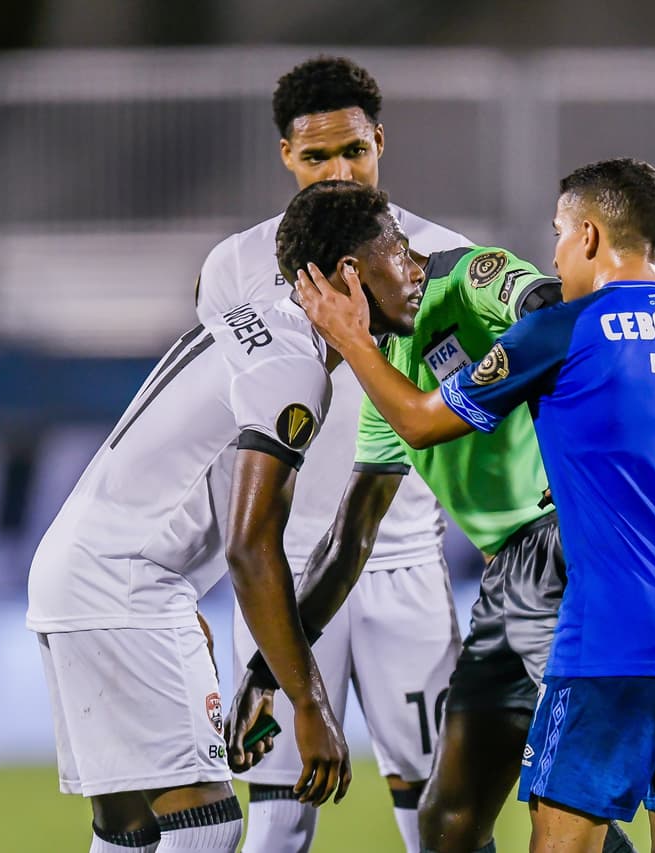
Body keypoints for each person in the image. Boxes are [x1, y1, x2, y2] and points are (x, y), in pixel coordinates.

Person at [293, 157, 655, 853]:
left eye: (557, 233)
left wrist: (348, 334)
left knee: (558, 840)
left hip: (612, 634)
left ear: (587, 235)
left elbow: (423, 421)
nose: (551, 253)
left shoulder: (564, 332)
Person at [27, 181, 420, 853]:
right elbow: (250, 546)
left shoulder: (262, 319)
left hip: (80, 571)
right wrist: (310, 702)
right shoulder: (296, 367)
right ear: (350, 273)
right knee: (208, 828)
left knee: (131, 834)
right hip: (125, 586)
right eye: (401, 251)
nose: (417, 269)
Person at [226, 226, 639, 850]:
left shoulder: (469, 279)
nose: (328, 331)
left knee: (561, 807)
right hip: (515, 577)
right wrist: (265, 670)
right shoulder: (391, 379)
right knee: (448, 820)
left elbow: (550, 305)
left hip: (557, 555)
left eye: (326, 315)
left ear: (348, 282)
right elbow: (348, 542)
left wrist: (579, 442)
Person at [194, 55, 468, 853]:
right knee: (278, 819)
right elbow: (215, 432)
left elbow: (463, 415)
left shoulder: (440, 258)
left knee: (438, 818)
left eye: (354, 150)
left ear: (380, 142)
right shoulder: (234, 268)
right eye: (316, 156)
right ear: (287, 156)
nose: (338, 169)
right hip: (278, 576)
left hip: (403, 562)